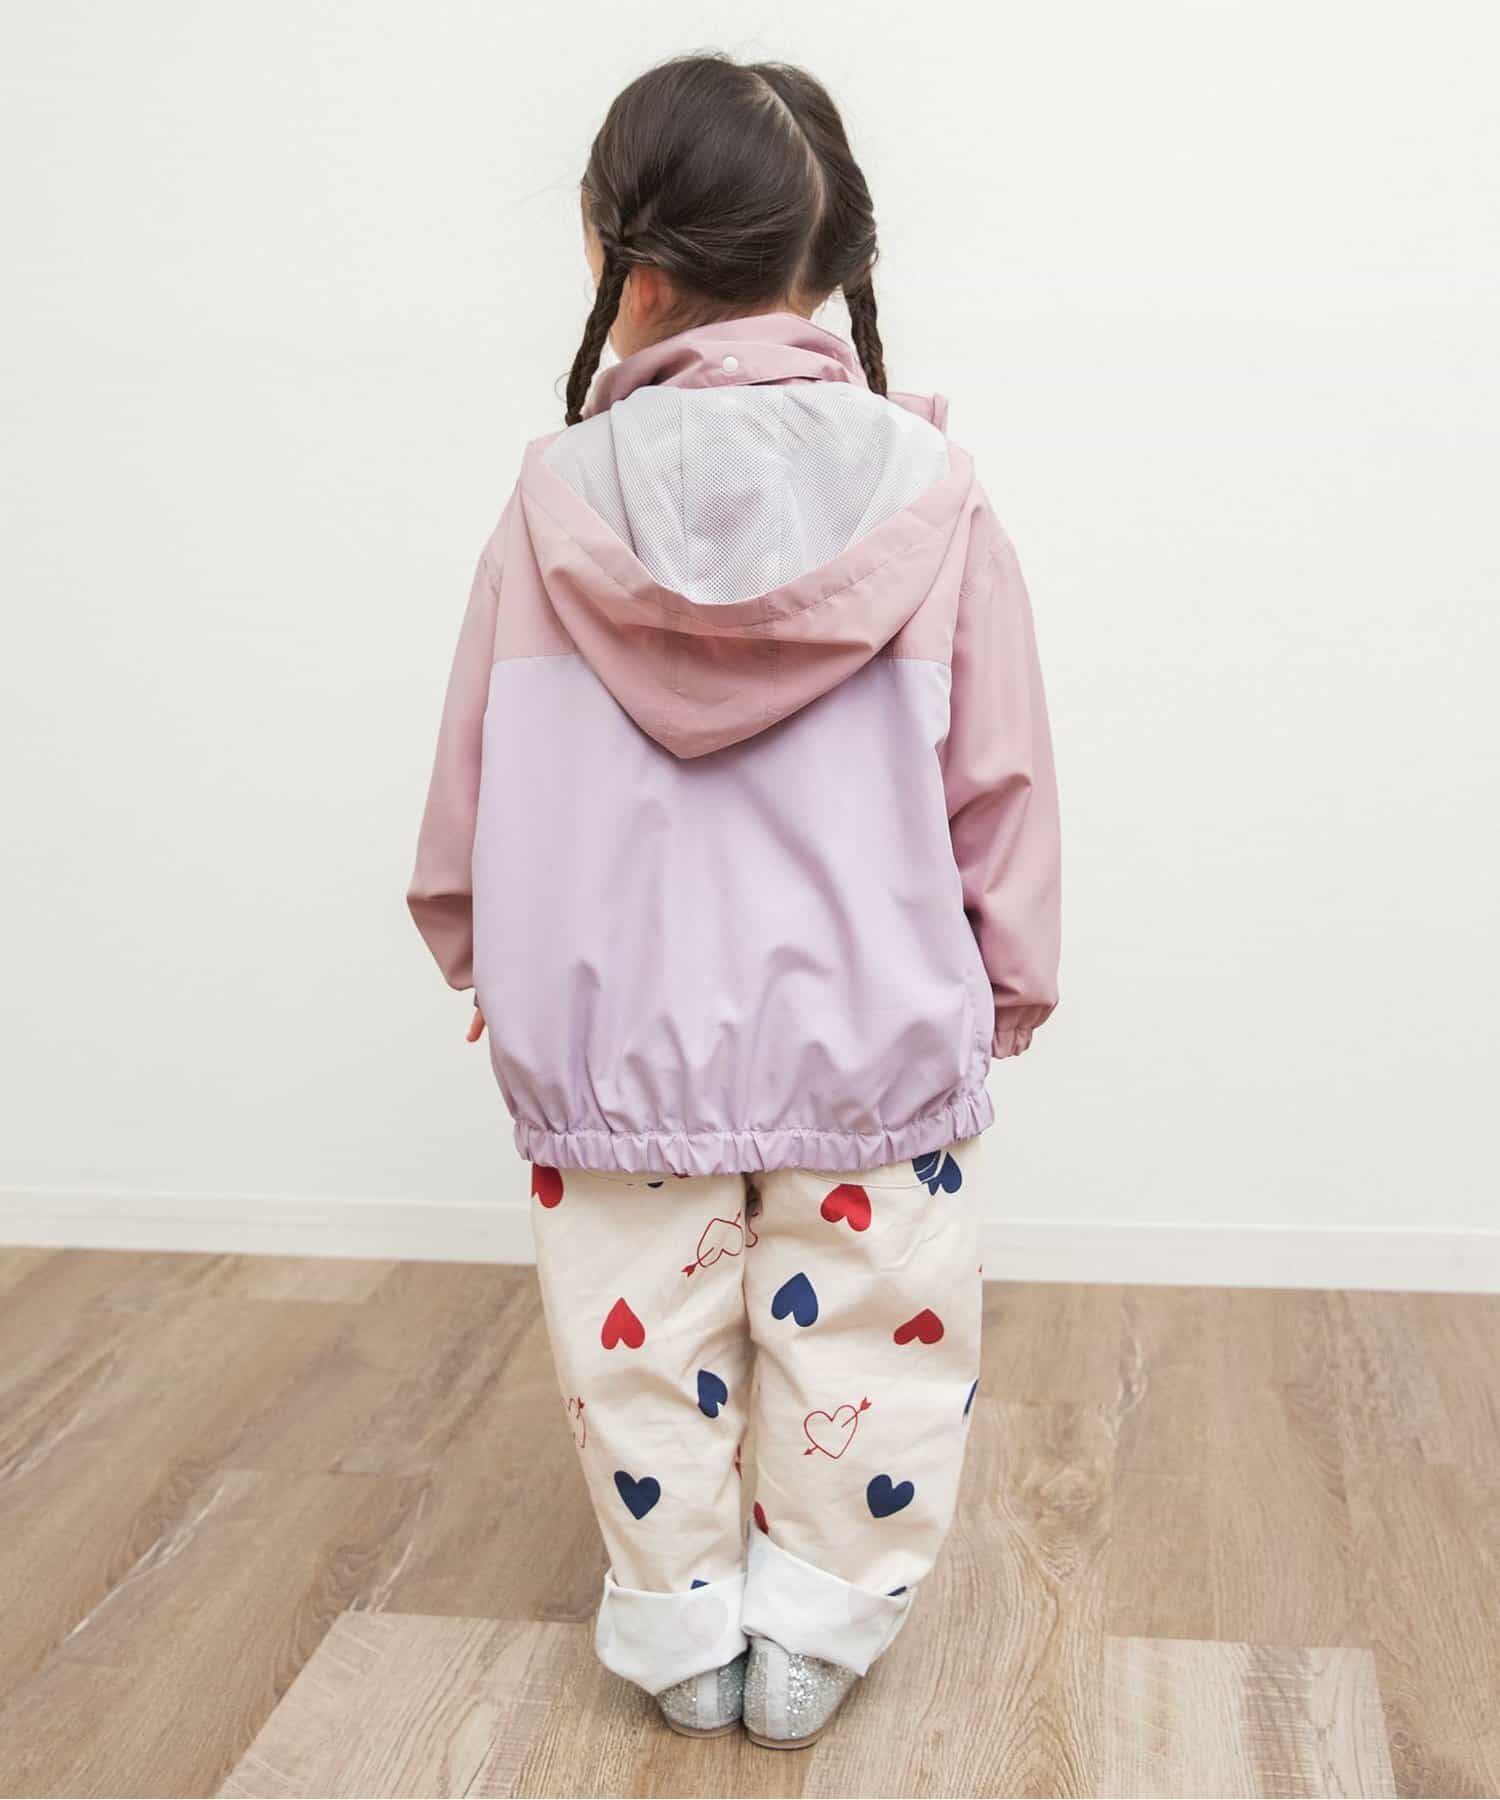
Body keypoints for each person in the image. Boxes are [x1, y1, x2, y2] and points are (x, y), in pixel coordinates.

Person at [408, 51, 1061, 1751]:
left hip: (612, 1027)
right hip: (874, 1019)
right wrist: (1009, 972)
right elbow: (999, 770)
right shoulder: (935, 498)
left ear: (618, 257)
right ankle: (819, 1628)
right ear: (837, 258)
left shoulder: (552, 504)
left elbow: (473, 761)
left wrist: (473, 941)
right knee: (875, 1336)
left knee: (636, 1341)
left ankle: (679, 1622)